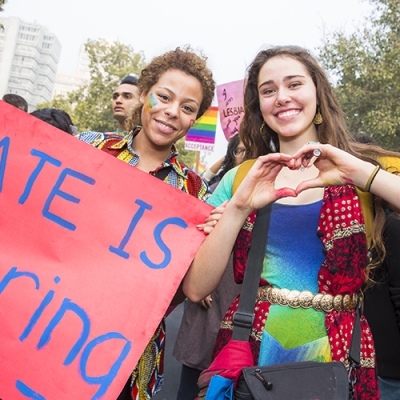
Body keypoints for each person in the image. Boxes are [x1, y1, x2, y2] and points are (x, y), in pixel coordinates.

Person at [182, 45, 400, 399]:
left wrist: (360, 172)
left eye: (294, 84)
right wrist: (237, 209)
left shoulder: (364, 168)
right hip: (253, 355)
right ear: (260, 107)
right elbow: (196, 288)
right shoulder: (241, 179)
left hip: (340, 359)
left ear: (317, 92)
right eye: (268, 90)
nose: (282, 97)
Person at [76, 46, 215, 400]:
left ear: (194, 120)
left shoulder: (196, 193)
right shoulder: (89, 148)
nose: (172, 112)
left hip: (127, 353)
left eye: (187, 108)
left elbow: (185, 286)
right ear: (144, 93)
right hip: (49, 320)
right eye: (164, 97)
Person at [172, 134, 245, 400]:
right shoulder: (222, 186)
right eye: (240, 150)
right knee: (192, 385)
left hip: (247, 302)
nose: (246, 154)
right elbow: (194, 234)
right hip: (209, 301)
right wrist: (199, 280)